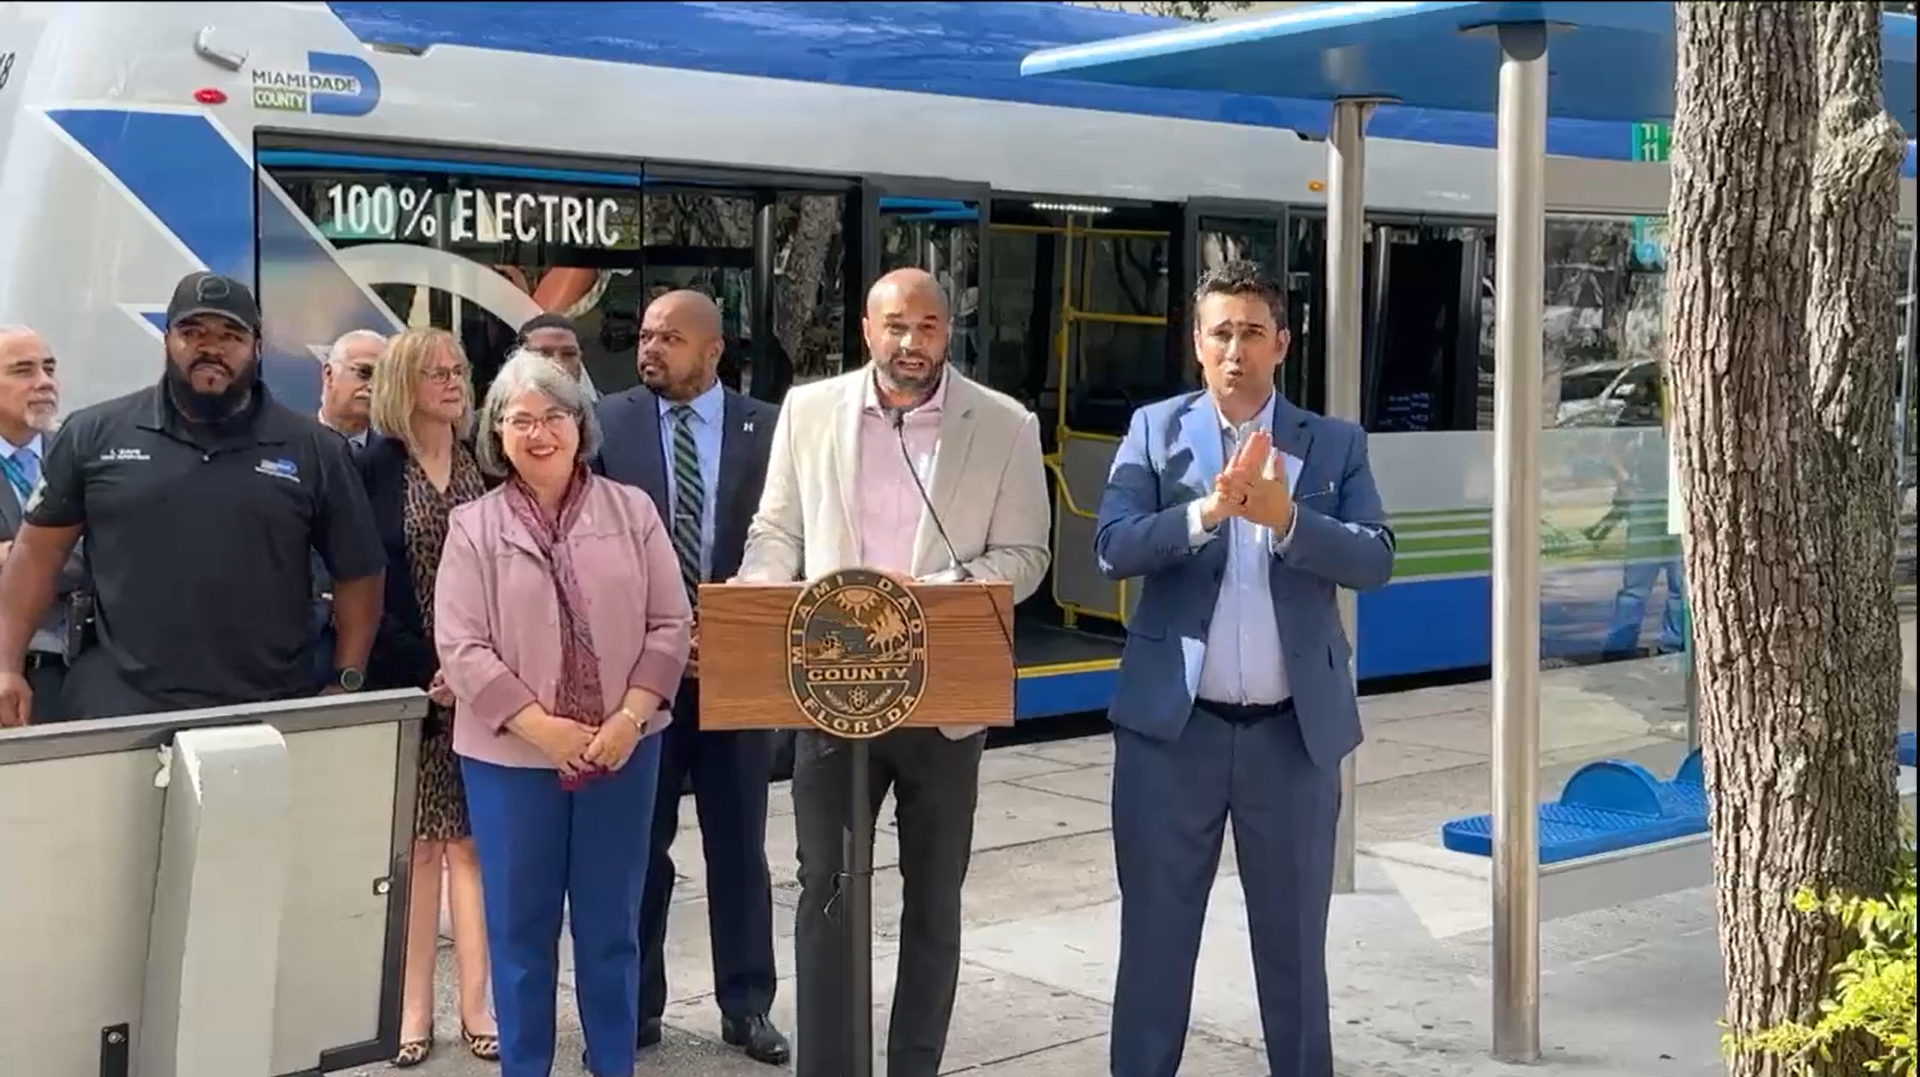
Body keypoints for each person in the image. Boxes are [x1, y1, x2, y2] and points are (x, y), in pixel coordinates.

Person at [736, 267, 1051, 1077]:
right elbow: (777, 530)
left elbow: (1026, 556)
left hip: (944, 703)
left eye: (928, 327)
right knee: (827, 889)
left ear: (949, 331)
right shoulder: (809, 410)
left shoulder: (1006, 424)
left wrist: (930, 593)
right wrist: (759, 597)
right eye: (896, 326)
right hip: (830, 696)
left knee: (934, 898)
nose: (911, 343)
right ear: (868, 331)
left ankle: (915, 1065)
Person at [1092, 261, 1394, 1077]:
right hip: (1171, 736)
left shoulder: (1333, 443)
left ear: (1282, 343)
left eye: (1252, 332)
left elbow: (1375, 558)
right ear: (1197, 343)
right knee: (1154, 944)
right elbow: (1112, 544)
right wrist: (1205, 512)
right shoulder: (1154, 431)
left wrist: (1288, 518)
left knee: (1294, 952)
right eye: (1220, 332)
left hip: (1291, 740)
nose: (1235, 349)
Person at [434, 348, 691, 1077]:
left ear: (581, 424)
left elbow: (670, 623)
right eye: (520, 419)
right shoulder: (473, 526)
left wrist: (629, 719)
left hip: (622, 750)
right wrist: (541, 728)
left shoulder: (633, 511)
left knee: (610, 928)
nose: (538, 433)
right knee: (521, 932)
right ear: (497, 432)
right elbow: (461, 645)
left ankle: (613, 1062)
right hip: (511, 760)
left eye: (554, 416)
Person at [0, 271, 385, 726]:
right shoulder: (94, 434)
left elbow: (360, 571)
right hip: (120, 702)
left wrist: (346, 677)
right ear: (167, 340)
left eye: (230, 335)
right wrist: (7, 665)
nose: (210, 348)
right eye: (192, 332)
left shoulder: (314, 449)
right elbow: (37, 554)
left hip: (269, 704)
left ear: (257, 347)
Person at [593, 290, 787, 1064]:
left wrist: (729, 626)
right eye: (645, 334)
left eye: (669, 337)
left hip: (735, 670)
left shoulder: (770, 428)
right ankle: (636, 1007)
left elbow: (790, 537)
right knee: (639, 848)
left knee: (739, 847)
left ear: (713, 351)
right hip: (639, 675)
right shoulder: (607, 424)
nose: (650, 348)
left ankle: (747, 1005)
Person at [356, 328, 499, 1066]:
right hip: (410, 680)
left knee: (473, 843)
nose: (452, 382)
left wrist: (475, 668)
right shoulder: (371, 468)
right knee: (415, 850)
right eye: (435, 371)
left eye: (459, 370)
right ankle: (412, 1010)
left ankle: (479, 1005)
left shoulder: (486, 462)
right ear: (400, 384)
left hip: (487, 682)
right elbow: (361, 585)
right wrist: (429, 670)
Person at [0, 325, 86, 724]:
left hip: (76, 669)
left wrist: (18, 557)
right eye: (23, 371)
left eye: (49, 369)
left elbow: (102, 550)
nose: (44, 382)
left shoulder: (80, 452)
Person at [318, 328, 385, 447]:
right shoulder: (292, 441)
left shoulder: (399, 453)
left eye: (382, 379)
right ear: (329, 374)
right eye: (364, 373)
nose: (373, 387)